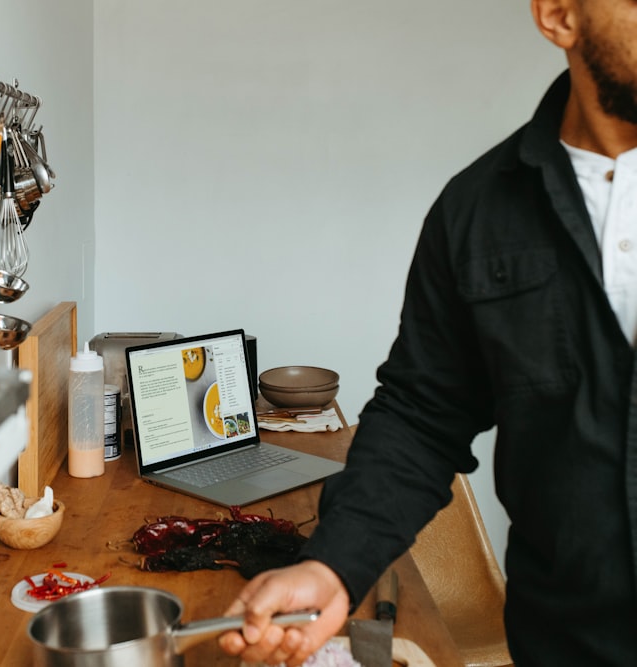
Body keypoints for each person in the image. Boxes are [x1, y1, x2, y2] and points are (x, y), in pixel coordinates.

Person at [219, 0, 637, 664]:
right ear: (559, 14)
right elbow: (422, 416)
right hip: (569, 645)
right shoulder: (477, 212)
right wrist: (333, 565)